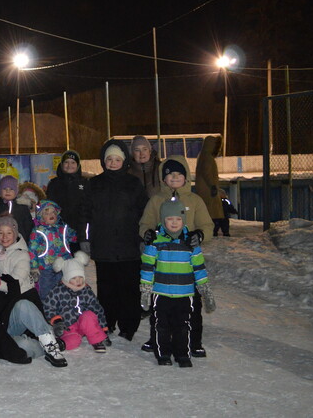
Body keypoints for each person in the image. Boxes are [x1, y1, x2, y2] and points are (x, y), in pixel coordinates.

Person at [138, 156, 213, 356]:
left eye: (179, 174)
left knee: (191, 305)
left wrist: (200, 235)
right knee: (160, 305)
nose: (175, 177)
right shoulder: (156, 200)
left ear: (186, 177)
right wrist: (147, 233)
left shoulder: (194, 200)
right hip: (162, 261)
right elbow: (145, 223)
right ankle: (157, 339)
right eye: (170, 174)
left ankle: (194, 341)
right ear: (163, 178)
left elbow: (207, 225)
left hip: (186, 262)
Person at [82, 140, 148, 341]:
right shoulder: (94, 184)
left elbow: (144, 214)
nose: (112, 163)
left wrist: (143, 238)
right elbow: (85, 214)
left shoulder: (134, 184)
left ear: (124, 161)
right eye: (109, 159)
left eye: (117, 159)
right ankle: (107, 322)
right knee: (107, 288)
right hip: (104, 246)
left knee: (129, 288)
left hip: (129, 247)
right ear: (103, 161)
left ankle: (128, 326)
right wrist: (85, 239)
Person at [42, 252, 109, 353]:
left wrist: (103, 329)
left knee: (89, 315)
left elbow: (97, 309)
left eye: (80, 277)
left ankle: (97, 341)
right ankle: (60, 344)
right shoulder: (58, 291)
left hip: (84, 325)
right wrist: (56, 321)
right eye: (74, 278)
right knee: (74, 340)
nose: (78, 281)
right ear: (67, 278)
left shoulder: (86, 291)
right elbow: (49, 307)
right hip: (67, 326)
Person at [27, 200, 78, 301]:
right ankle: (47, 307)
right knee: (46, 291)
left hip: (64, 265)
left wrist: (75, 231)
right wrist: (34, 267)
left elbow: (74, 238)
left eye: (53, 212)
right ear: (41, 217)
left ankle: (63, 305)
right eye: (47, 213)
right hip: (46, 267)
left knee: (64, 289)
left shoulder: (63, 228)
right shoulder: (38, 231)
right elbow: (32, 250)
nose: (51, 215)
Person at [46, 150, 89, 252]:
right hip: (59, 232)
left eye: (73, 162)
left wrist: (84, 237)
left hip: (79, 233)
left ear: (78, 165)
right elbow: (49, 207)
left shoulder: (85, 183)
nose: (69, 165)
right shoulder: (54, 184)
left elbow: (87, 210)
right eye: (66, 162)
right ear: (62, 164)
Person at [0, 175, 34, 245]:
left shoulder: (22, 207)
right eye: (4, 189)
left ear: (16, 191)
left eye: (11, 189)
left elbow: (29, 228)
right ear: (0, 190)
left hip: (19, 245)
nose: (8, 191)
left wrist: (29, 245)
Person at [193, 135, 224, 233]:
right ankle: (213, 228)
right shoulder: (208, 158)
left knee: (207, 210)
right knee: (213, 210)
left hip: (204, 189)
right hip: (208, 189)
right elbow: (207, 173)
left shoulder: (202, 156)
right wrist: (212, 185)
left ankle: (210, 228)